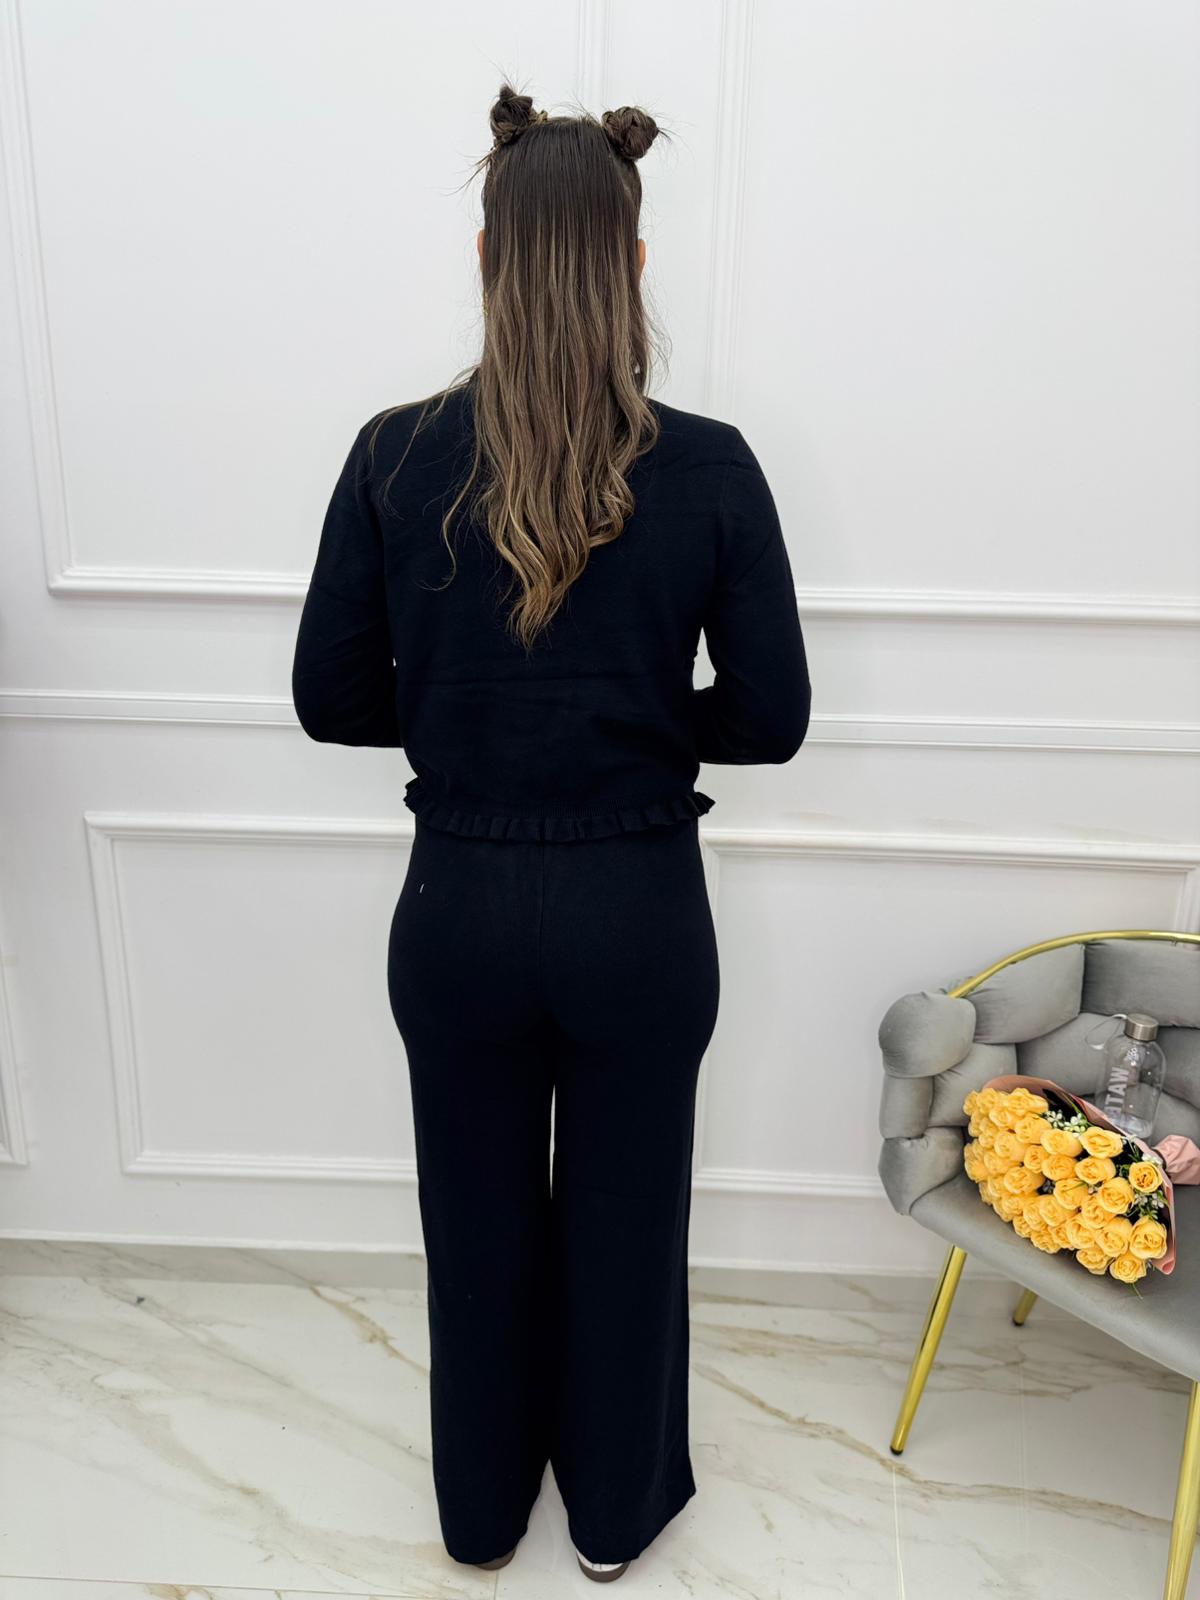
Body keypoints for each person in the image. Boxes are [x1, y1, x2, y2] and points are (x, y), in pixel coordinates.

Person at [291, 80, 811, 1585]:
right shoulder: (711, 464)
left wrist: (476, 718)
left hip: (456, 905)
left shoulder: (394, 455)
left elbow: (332, 700)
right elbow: (769, 717)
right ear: (634, 265)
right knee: (627, 1223)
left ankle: (477, 1517)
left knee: (475, 1223)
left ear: (487, 259)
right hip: (638, 909)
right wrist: (629, 721)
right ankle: (611, 1520)